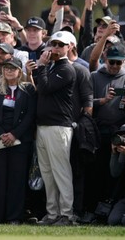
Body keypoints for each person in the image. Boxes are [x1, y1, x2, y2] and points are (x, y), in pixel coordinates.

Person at [0, 58, 37, 224]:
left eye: (12, 68)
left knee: (17, 179)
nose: (9, 71)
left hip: (21, 139)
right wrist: (1, 134)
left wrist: (15, 134)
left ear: (19, 71)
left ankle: (14, 216)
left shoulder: (28, 90)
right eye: (6, 68)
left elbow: (30, 115)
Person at [36, 31, 76, 225]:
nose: (57, 48)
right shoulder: (51, 67)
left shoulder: (66, 69)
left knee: (61, 171)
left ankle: (66, 214)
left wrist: (41, 66)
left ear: (69, 47)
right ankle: (52, 213)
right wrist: (40, 68)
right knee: (47, 173)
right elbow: (41, 88)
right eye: (54, 44)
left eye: (61, 45)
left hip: (58, 127)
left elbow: (45, 88)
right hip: (44, 126)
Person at [90, 45, 125, 210]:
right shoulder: (94, 77)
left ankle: (110, 207)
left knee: (115, 173)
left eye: (119, 63)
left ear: (124, 62)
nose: (115, 66)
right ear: (105, 59)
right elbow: (84, 104)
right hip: (96, 132)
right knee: (96, 172)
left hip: (118, 134)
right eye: (112, 62)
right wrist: (102, 101)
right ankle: (93, 208)